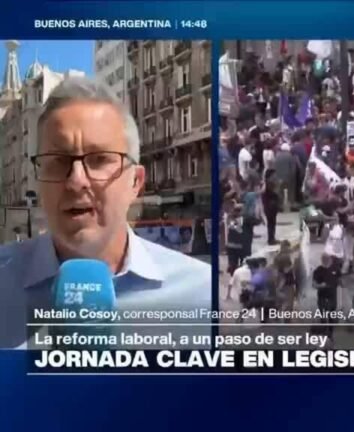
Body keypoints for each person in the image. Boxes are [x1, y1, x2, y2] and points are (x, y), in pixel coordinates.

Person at [0, 77, 211, 348]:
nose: (76, 180)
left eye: (99, 159)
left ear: (135, 182)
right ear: (38, 179)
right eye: (59, 161)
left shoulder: (202, 294)